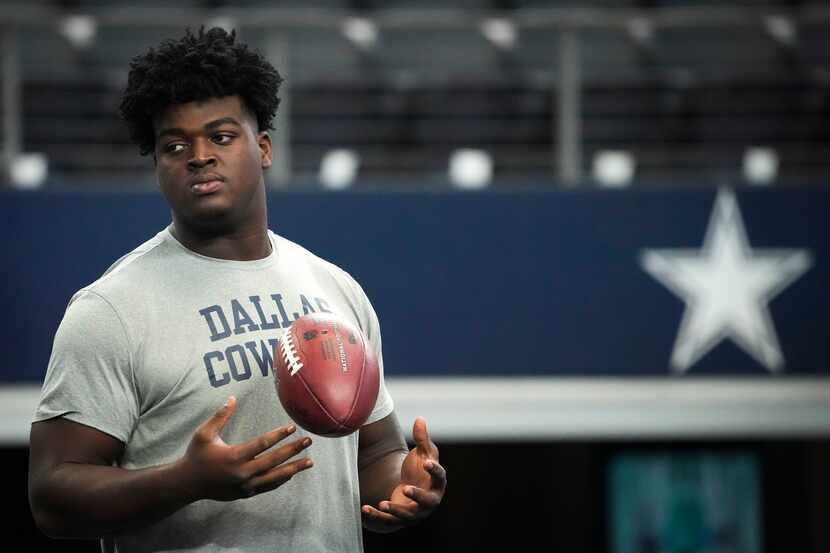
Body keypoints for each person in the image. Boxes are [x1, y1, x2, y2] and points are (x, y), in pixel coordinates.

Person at [28, 27, 446, 553]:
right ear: (158, 166)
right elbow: (51, 497)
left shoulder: (334, 288)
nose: (199, 156)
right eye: (175, 145)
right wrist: (186, 480)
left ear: (263, 147)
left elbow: (374, 456)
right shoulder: (111, 309)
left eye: (221, 136)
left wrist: (404, 486)